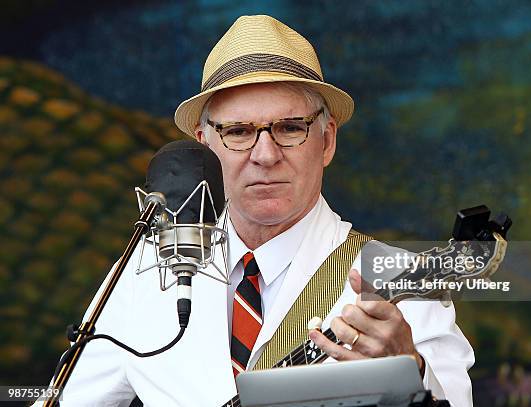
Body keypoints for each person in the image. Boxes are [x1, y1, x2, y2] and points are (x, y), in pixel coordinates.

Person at [47, 15, 474, 406]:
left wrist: (413, 375)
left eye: (290, 128)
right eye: (238, 131)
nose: (265, 154)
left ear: (326, 141)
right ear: (206, 146)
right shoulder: (144, 270)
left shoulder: (397, 277)